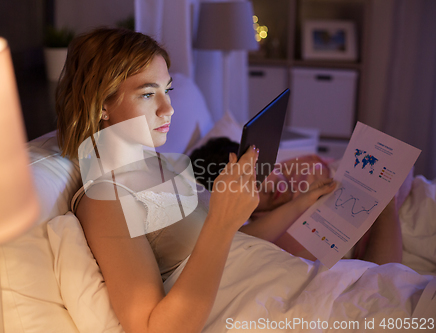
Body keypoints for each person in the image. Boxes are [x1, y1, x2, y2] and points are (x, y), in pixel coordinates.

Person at [56, 27, 336, 333]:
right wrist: (220, 220)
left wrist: (300, 205)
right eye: (148, 94)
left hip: (293, 283)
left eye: (168, 91)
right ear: (101, 105)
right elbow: (153, 327)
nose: (169, 109)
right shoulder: (105, 200)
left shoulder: (156, 164)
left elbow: (232, 245)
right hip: (272, 309)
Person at [190, 137, 407, 263]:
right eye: (250, 186)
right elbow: (383, 276)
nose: (265, 187)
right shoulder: (267, 231)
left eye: (259, 173)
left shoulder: (298, 165)